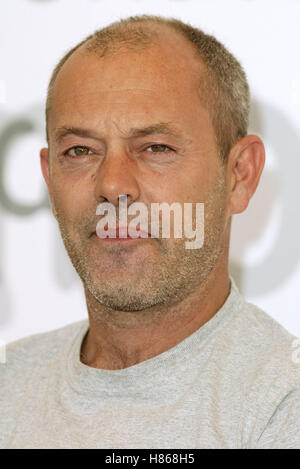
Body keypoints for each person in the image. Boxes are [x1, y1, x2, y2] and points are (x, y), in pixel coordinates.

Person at [1, 14, 299, 449]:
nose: (112, 185)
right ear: (49, 181)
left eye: (156, 148)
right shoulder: (9, 383)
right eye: (80, 151)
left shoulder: (283, 404)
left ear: (239, 175)